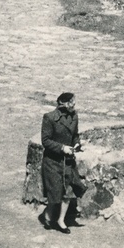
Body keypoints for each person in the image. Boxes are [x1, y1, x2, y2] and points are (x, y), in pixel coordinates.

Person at [40, 92, 86, 233]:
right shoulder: (49, 118)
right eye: (72, 102)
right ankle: (47, 215)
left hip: (69, 161)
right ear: (64, 103)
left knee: (69, 191)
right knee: (55, 192)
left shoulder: (74, 116)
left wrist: (77, 144)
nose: (74, 105)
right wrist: (62, 148)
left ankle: (61, 220)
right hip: (53, 161)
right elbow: (45, 141)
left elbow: (75, 135)